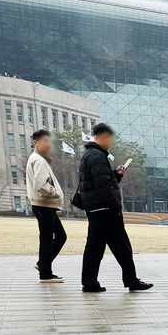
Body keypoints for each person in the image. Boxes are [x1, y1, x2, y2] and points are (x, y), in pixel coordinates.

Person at [78, 122, 152, 293]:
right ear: (103, 137)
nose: (110, 142)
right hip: (106, 211)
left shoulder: (88, 154)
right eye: (110, 138)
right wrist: (115, 206)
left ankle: (89, 282)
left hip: (95, 210)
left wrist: (115, 175)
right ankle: (132, 281)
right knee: (122, 247)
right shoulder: (97, 156)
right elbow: (103, 187)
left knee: (94, 248)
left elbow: (100, 180)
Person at [26, 129, 66, 283]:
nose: (49, 144)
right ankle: (45, 273)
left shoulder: (39, 159)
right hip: (44, 205)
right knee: (48, 239)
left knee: (58, 237)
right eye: (45, 141)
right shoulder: (38, 160)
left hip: (43, 206)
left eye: (50, 141)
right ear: (36, 142)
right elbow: (40, 185)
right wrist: (54, 193)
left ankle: (43, 265)